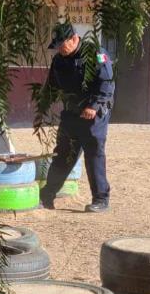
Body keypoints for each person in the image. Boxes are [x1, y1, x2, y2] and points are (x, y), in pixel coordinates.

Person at [35, 22, 114, 213]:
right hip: (71, 114)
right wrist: (43, 103)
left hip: (93, 115)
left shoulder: (95, 53)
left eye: (63, 44)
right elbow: (52, 85)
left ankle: (101, 199)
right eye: (58, 45)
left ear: (74, 39)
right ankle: (47, 197)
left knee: (93, 155)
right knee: (63, 155)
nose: (60, 49)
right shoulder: (59, 60)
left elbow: (106, 82)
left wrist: (93, 106)